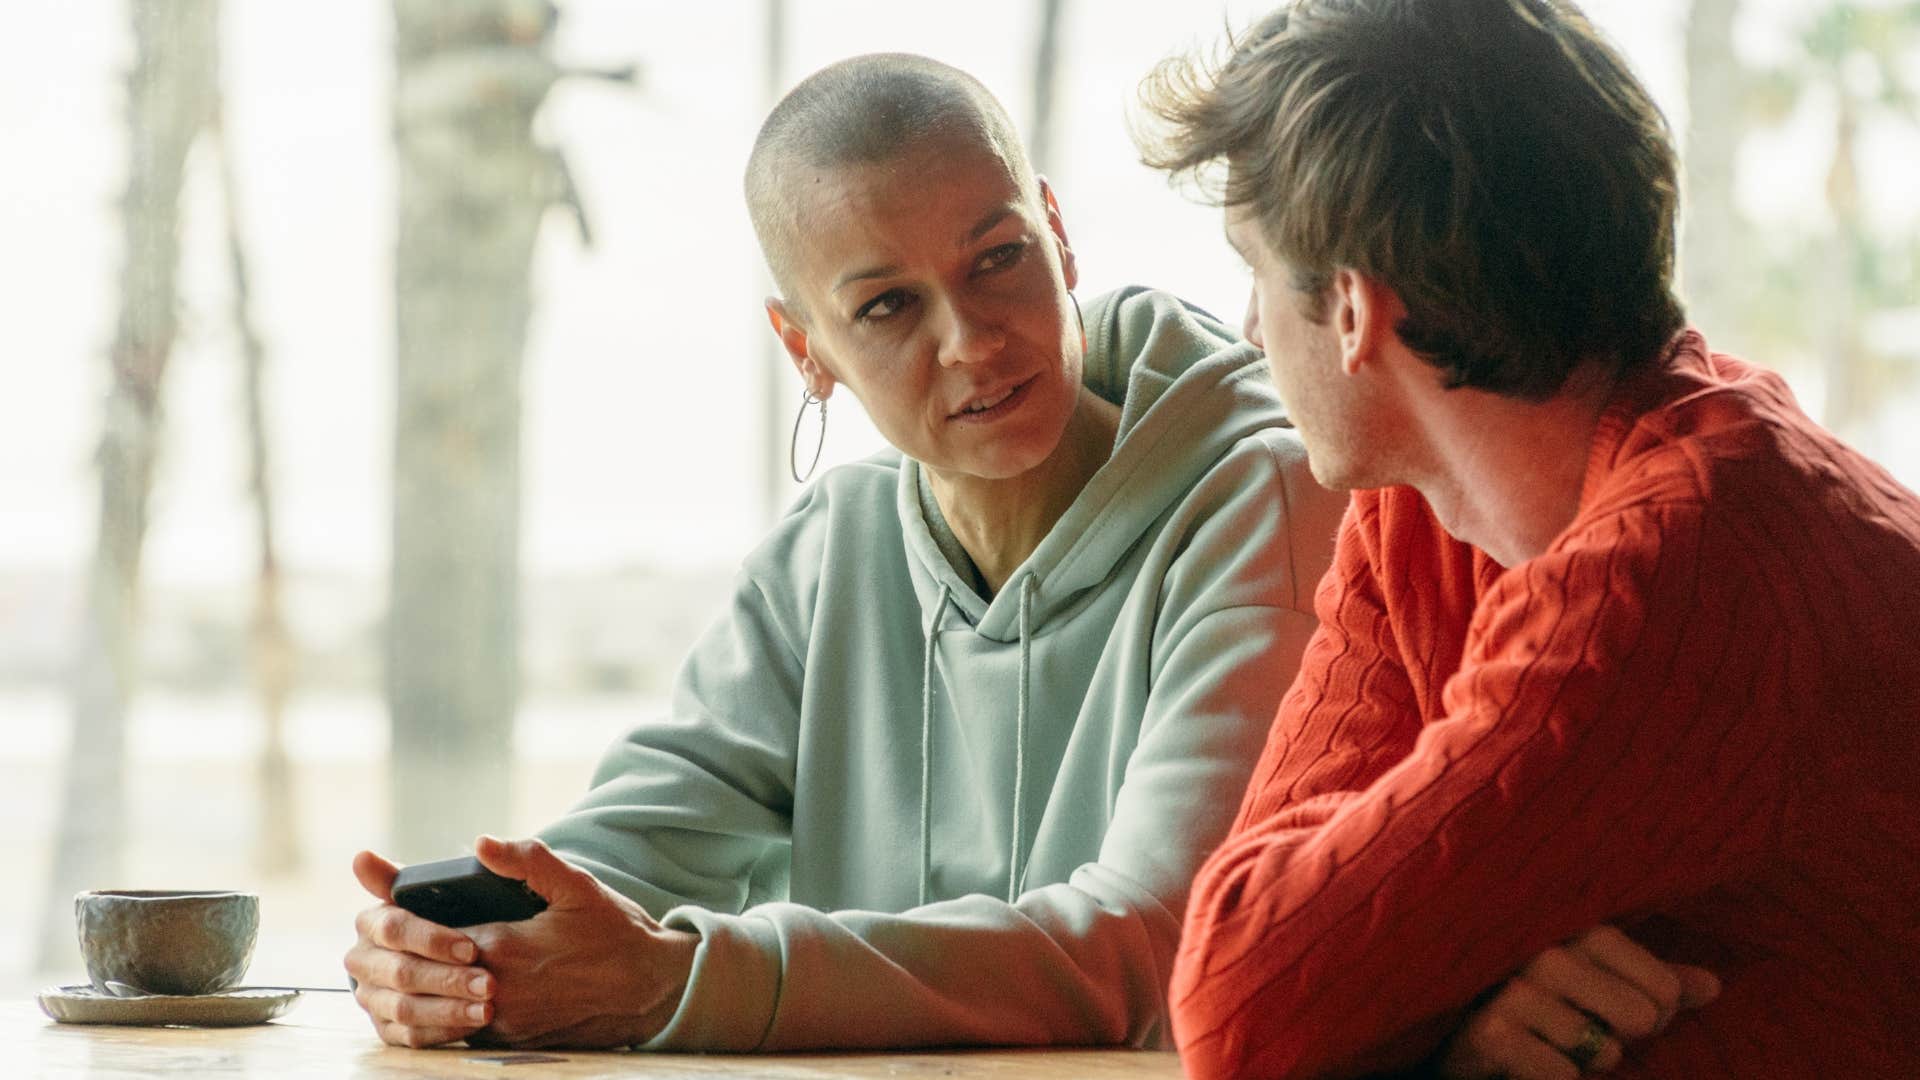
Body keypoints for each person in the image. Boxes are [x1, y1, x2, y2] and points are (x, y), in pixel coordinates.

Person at [343, 52, 1347, 1052]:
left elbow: (1158, 944)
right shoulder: (828, 552)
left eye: (998, 257)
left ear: (1058, 232)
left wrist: (679, 981)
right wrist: (460, 956)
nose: (971, 341)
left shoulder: (1267, 500)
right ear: (807, 348)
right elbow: (633, 846)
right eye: (887, 306)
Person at [1137, 1, 1920, 1078]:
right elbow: (1263, 943)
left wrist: (1417, 985)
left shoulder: (1685, 562)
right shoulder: (1417, 506)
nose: (1244, 326)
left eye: (1255, 271)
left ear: (1355, 310)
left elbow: (1242, 1005)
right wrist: (1465, 1009)